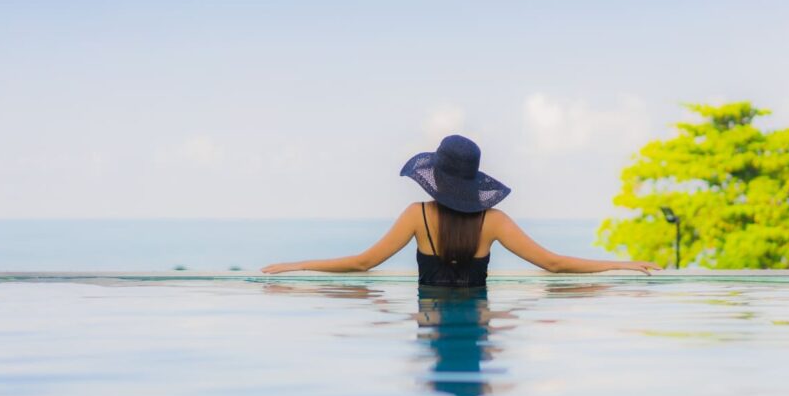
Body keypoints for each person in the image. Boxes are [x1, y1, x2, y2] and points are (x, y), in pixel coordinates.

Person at [260, 134, 661, 285]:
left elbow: (363, 264)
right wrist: (621, 265)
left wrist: (294, 267)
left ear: (435, 176)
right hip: (480, 323)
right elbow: (553, 265)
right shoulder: (494, 222)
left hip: (429, 322)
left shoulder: (416, 216)